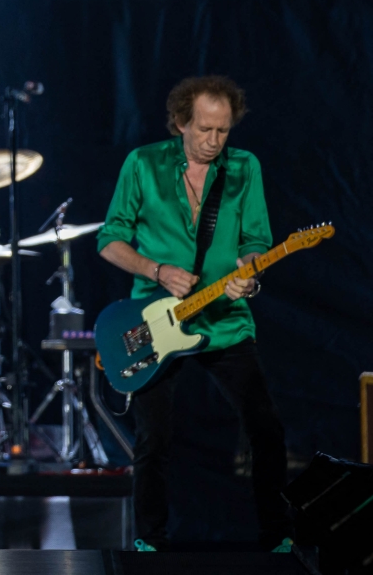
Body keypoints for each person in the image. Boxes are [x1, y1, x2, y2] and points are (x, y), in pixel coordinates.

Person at [96, 75, 292, 552]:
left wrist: (250, 275)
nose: (213, 140)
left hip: (224, 319)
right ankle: (149, 540)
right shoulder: (142, 163)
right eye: (204, 129)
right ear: (181, 122)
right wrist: (157, 270)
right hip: (154, 319)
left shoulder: (244, 167)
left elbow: (255, 242)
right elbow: (109, 240)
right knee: (153, 438)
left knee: (266, 427)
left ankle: (278, 537)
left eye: (223, 130)